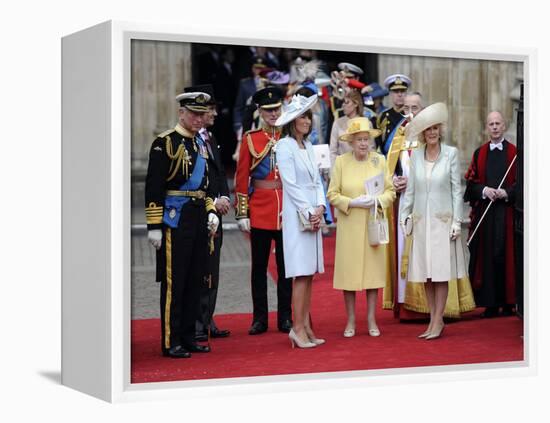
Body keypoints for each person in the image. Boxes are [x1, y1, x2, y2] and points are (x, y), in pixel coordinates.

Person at [145, 88, 220, 358]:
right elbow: (153, 187)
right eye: (194, 114)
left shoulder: (199, 144)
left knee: (195, 280)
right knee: (174, 281)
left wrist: (211, 210)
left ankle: (189, 337)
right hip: (175, 219)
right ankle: (170, 339)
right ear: (182, 113)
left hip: (199, 215)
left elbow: (206, 185)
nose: (199, 119)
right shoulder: (165, 142)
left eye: (202, 114)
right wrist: (154, 225)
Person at [400, 103, 475, 340]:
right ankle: (433, 318)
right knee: (426, 273)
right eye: (428, 130)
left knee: (441, 273)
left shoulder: (450, 153)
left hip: (443, 223)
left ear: (439, 130)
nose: (432, 133)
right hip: (421, 223)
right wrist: (404, 216)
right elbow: (410, 191)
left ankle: (438, 320)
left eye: (435, 129)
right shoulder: (416, 157)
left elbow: (456, 190)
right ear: (423, 133)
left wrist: (456, 221)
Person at [327, 117, 396, 337]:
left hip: (372, 223)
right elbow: (332, 194)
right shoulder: (341, 162)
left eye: (366, 139)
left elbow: (390, 192)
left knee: (372, 276)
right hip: (349, 225)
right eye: (359, 140)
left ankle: (371, 320)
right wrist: (352, 202)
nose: (364, 144)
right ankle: (350, 321)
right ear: (351, 142)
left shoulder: (379, 160)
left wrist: (376, 201)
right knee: (349, 275)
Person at [234, 86, 293, 335]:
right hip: (259, 209)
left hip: (286, 211)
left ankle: (285, 317)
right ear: (259, 111)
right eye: (268, 110)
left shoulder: (289, 137)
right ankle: (259, 318)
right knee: (259, 268)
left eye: (276, 109)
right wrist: (243, 212)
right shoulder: (250, 138)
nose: (273, 114)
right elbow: (241, 177)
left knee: (286, 269)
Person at [275, 94, 327, 348]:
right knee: (299, 272)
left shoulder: (307, 146)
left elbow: (317, 181)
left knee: (308, 274)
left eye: (309, 116)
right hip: (297, 216)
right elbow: (290, 184)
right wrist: (309, 211)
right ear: (293, 121)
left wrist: (320, 207)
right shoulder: (284, 146)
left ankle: (306, 325)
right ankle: (296, 328)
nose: (307, 120)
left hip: (311, 214)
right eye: (303, 116)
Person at [464, 111, 517, 318]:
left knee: (506, 255)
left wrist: (506, 193)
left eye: (498, 123)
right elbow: (471, 185)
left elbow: (522, 185)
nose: (494, 127)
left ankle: (509, 302)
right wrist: (485, 191)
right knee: (487, 257)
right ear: (487, 128)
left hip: (506, 214)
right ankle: (490, 302)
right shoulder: (479, 153)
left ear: (504, 126)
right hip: (486, 215)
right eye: (491, 124)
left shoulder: (515, 153)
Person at [193, 85, 231, 342]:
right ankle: (197, 323)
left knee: (213, 268)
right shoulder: (191, 139)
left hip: (216, 211)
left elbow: (219, 172)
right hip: (200, 212)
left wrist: (225, 197)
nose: (215, 113)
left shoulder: (210, 138)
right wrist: (212, 202)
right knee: (200, 269)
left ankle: (207, 319)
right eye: (211, 109)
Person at [329, 89, 365, 166]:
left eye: (347, 102)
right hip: (343, 169)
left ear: (356, 104)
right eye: (343, 102)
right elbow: (333, 151)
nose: (343, 105)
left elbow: (371, 149)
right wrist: (334, 173)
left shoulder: (366, 123)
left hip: (363, 168)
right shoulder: (337, 123)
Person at [377, 73, 411, 153]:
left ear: (406, 93)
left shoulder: (411, 114)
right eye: (396, 91)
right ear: (390, 93)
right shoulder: (383, 116)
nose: (399, 94)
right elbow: (379, 142)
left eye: (402, 91)